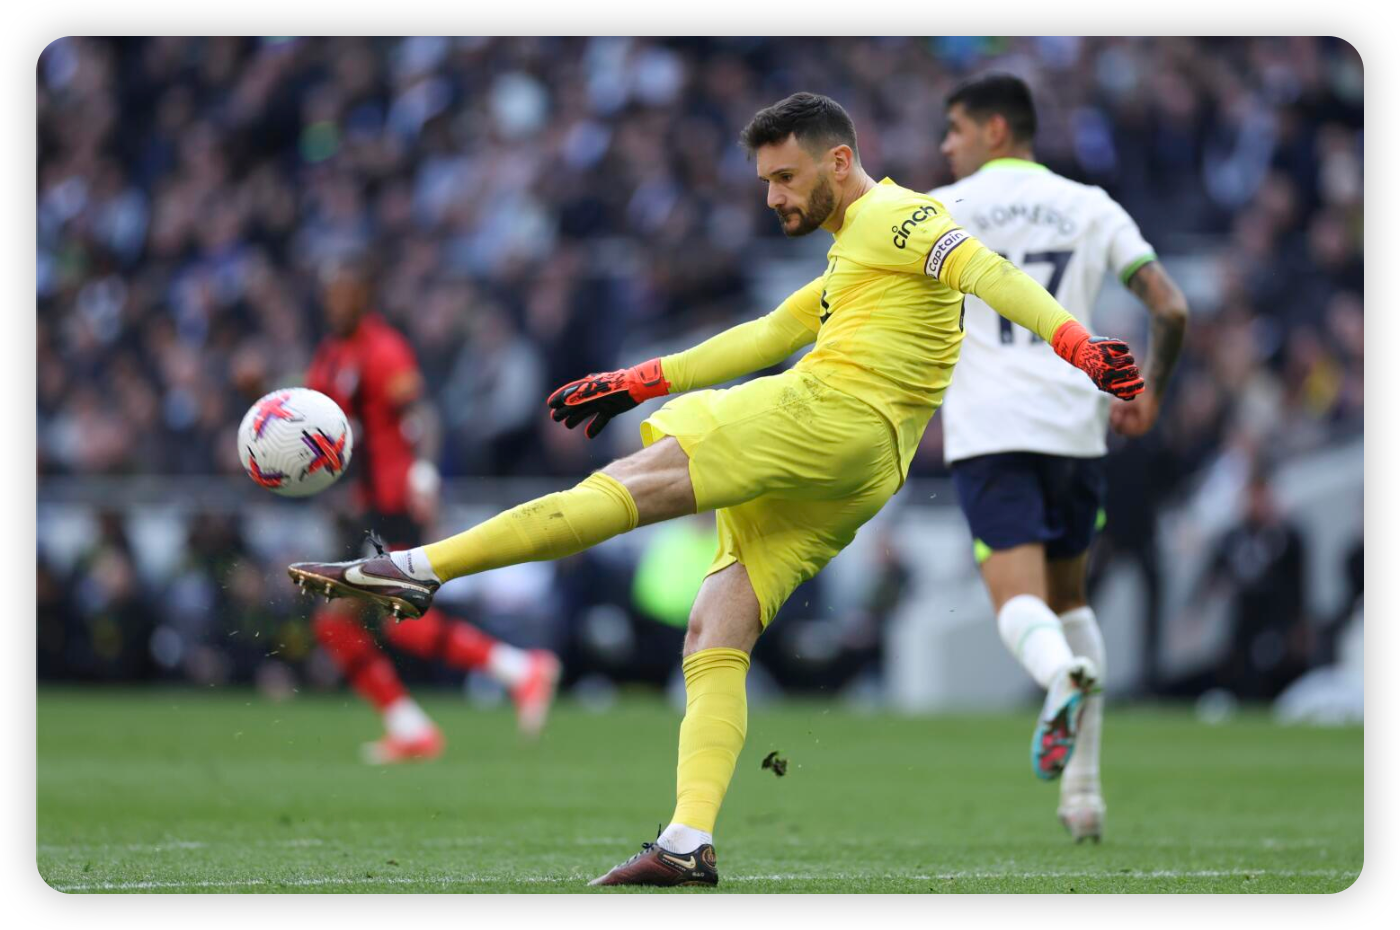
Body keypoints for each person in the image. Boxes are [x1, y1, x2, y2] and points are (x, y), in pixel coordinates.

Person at [289, 94, 1143, 885]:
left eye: (785, 177)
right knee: (716, 624)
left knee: (633, 481)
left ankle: (418, 566)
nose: (772, 196)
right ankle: (688, 840)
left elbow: (988, 271)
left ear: (840, 162)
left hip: (832, 413)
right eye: (765, 180)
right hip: (863, 468)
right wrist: (639, 379)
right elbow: (769, 331)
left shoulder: (899, 212)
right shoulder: (858, 252)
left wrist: (1075, 343)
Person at [932, 74, 1189, 841]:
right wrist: (1151, 392)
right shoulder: (1090, 204)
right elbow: (1170, 305)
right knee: (1071, 602)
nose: (946, 146)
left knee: (1019, 602)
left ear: (996, 131)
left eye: (955, 130)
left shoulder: (944, 211)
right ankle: (1083, 799)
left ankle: (1056, 680)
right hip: (1077, 428)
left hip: (991, 429)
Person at [301, 258, 559, 764]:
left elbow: (420, 413)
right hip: (367, 509)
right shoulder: (332, 354)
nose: (335, 303)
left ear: (364, 294)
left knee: (379, 619)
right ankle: (483, 688)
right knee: (355, 623)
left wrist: (423, 469)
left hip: (399, 503)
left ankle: (510, 674)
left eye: (345, 292)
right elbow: (308, 418)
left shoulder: (383, 349)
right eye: (329, 294)